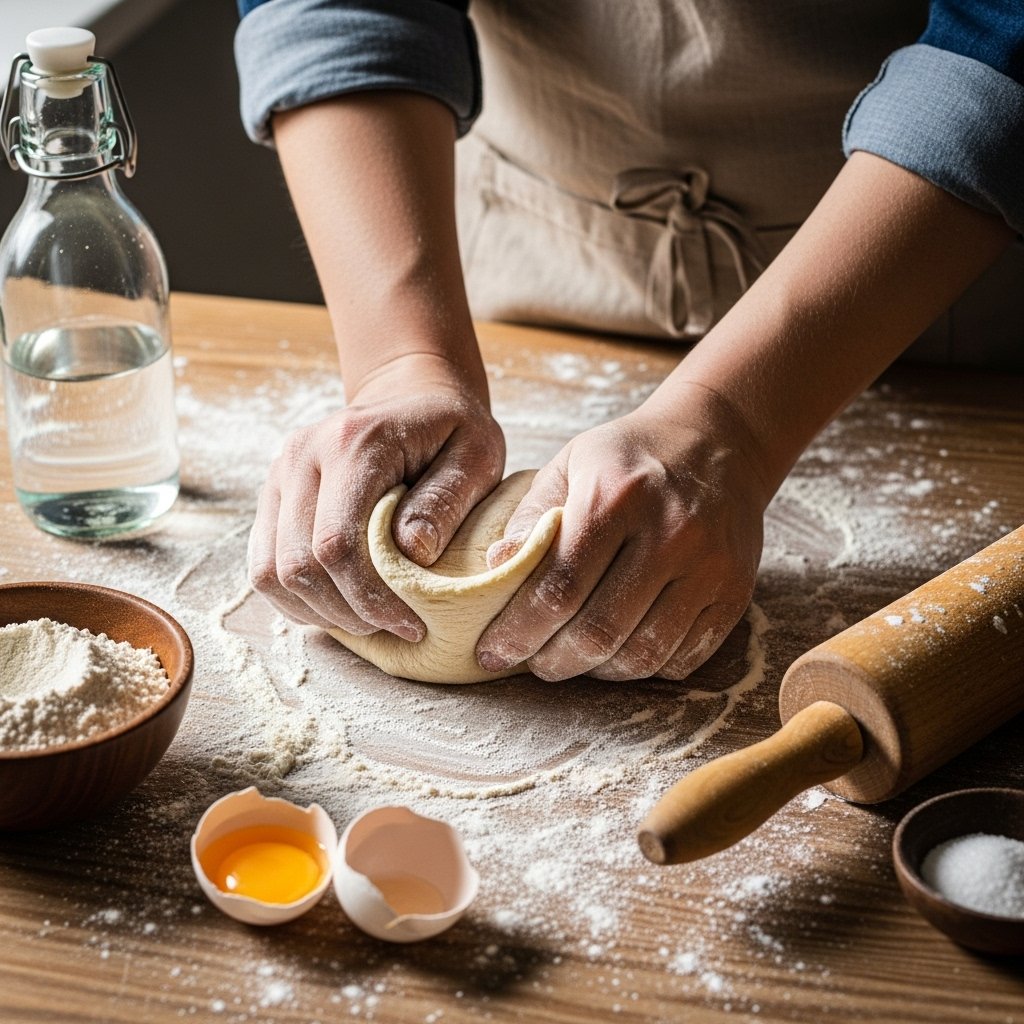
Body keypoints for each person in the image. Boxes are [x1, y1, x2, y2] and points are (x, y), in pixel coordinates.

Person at [233, 1, 1023, 682]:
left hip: (923, 266)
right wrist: (402, 361)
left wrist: (738, 426)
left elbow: (1001, 36)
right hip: (539, 237)